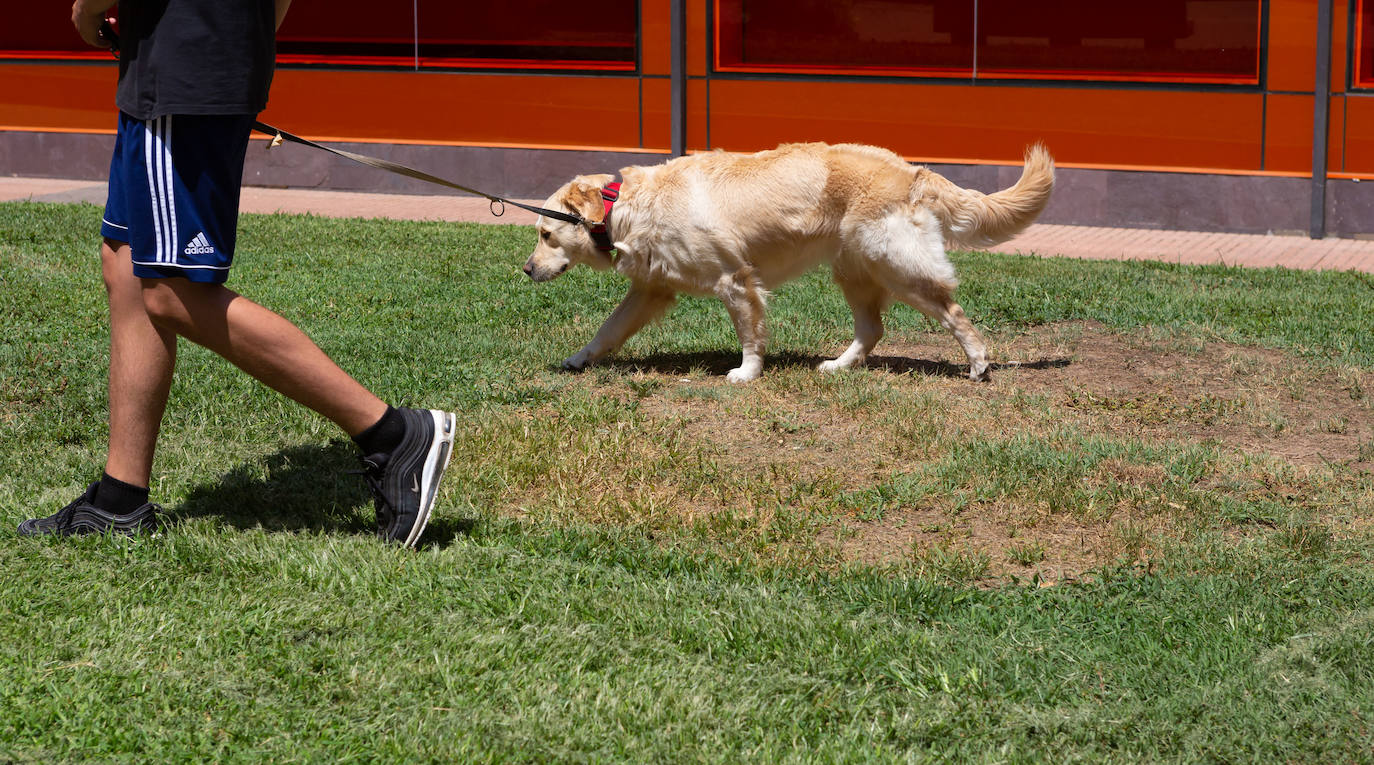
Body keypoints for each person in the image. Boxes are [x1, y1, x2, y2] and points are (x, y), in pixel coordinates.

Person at [19, 0, 456, 548]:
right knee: (127, 264)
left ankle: (393, 434)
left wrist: (87, 12)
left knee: (172, 290)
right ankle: (119, 499)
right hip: (190, 64)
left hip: (182, 69)